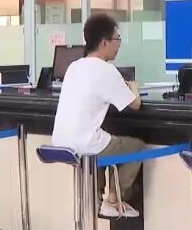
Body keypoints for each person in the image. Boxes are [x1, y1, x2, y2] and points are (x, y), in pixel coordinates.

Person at [51, 13, 145, 218]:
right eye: (117, 39)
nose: (119, 44)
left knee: (101, 144)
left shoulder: (74, 66)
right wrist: (134, 88)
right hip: (85, 146)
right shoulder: (106, 70)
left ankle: (95, 203)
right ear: (104, 43)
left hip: (60, 144)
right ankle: (113, 200)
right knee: (136, 147)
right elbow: (135, 104)